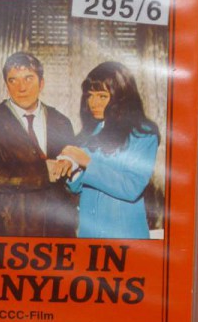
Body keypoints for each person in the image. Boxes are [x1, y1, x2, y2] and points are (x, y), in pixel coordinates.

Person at [0, 51, 77, 237]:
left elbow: (72, 170)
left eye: (28, 78)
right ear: (6, 85)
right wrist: (43, 171)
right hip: (11, 229)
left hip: (58, 230)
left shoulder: (62, 121)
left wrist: (71, 164)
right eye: (13, 80)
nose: (21, 88)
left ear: (41, 83)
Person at [61, 61, 160, 239]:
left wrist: (87, 162)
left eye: (102, 96)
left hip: (125, 237)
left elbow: (132, 188)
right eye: (90, 96)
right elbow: (78, 189)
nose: (93, 103)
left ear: (121, 97)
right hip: (89, 235)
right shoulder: (90, 133)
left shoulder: (144, 135)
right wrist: (70, 170)